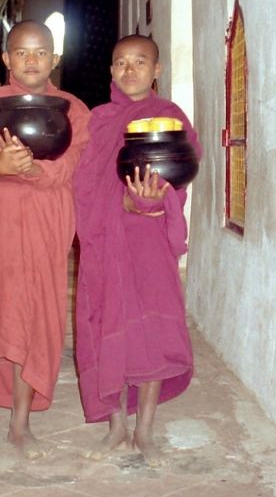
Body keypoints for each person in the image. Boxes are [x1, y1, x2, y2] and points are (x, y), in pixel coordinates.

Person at [0, 20, 90, 457]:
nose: (31, 60)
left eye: (40, 52)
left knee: (32, 318)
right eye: (21, 52)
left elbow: (72, 165)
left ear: (55, 58)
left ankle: (21, 426)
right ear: (6, 57)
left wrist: (31, 170)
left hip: (43, 226)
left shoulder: (73, 109)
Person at [73, 34, 202, 466]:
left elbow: (181, 171)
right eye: (121, 62)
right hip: (105, 240)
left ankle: (144, 429)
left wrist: (150, 202)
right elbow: (83, 181)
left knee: (152, 330)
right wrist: (119, 203)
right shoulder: (99, 121)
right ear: (111, 70)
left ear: (157, 70)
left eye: (140, 62)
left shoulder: (169, 116)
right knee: (104, 322)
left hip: (149, 241)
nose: (130, 70)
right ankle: (116, 427)